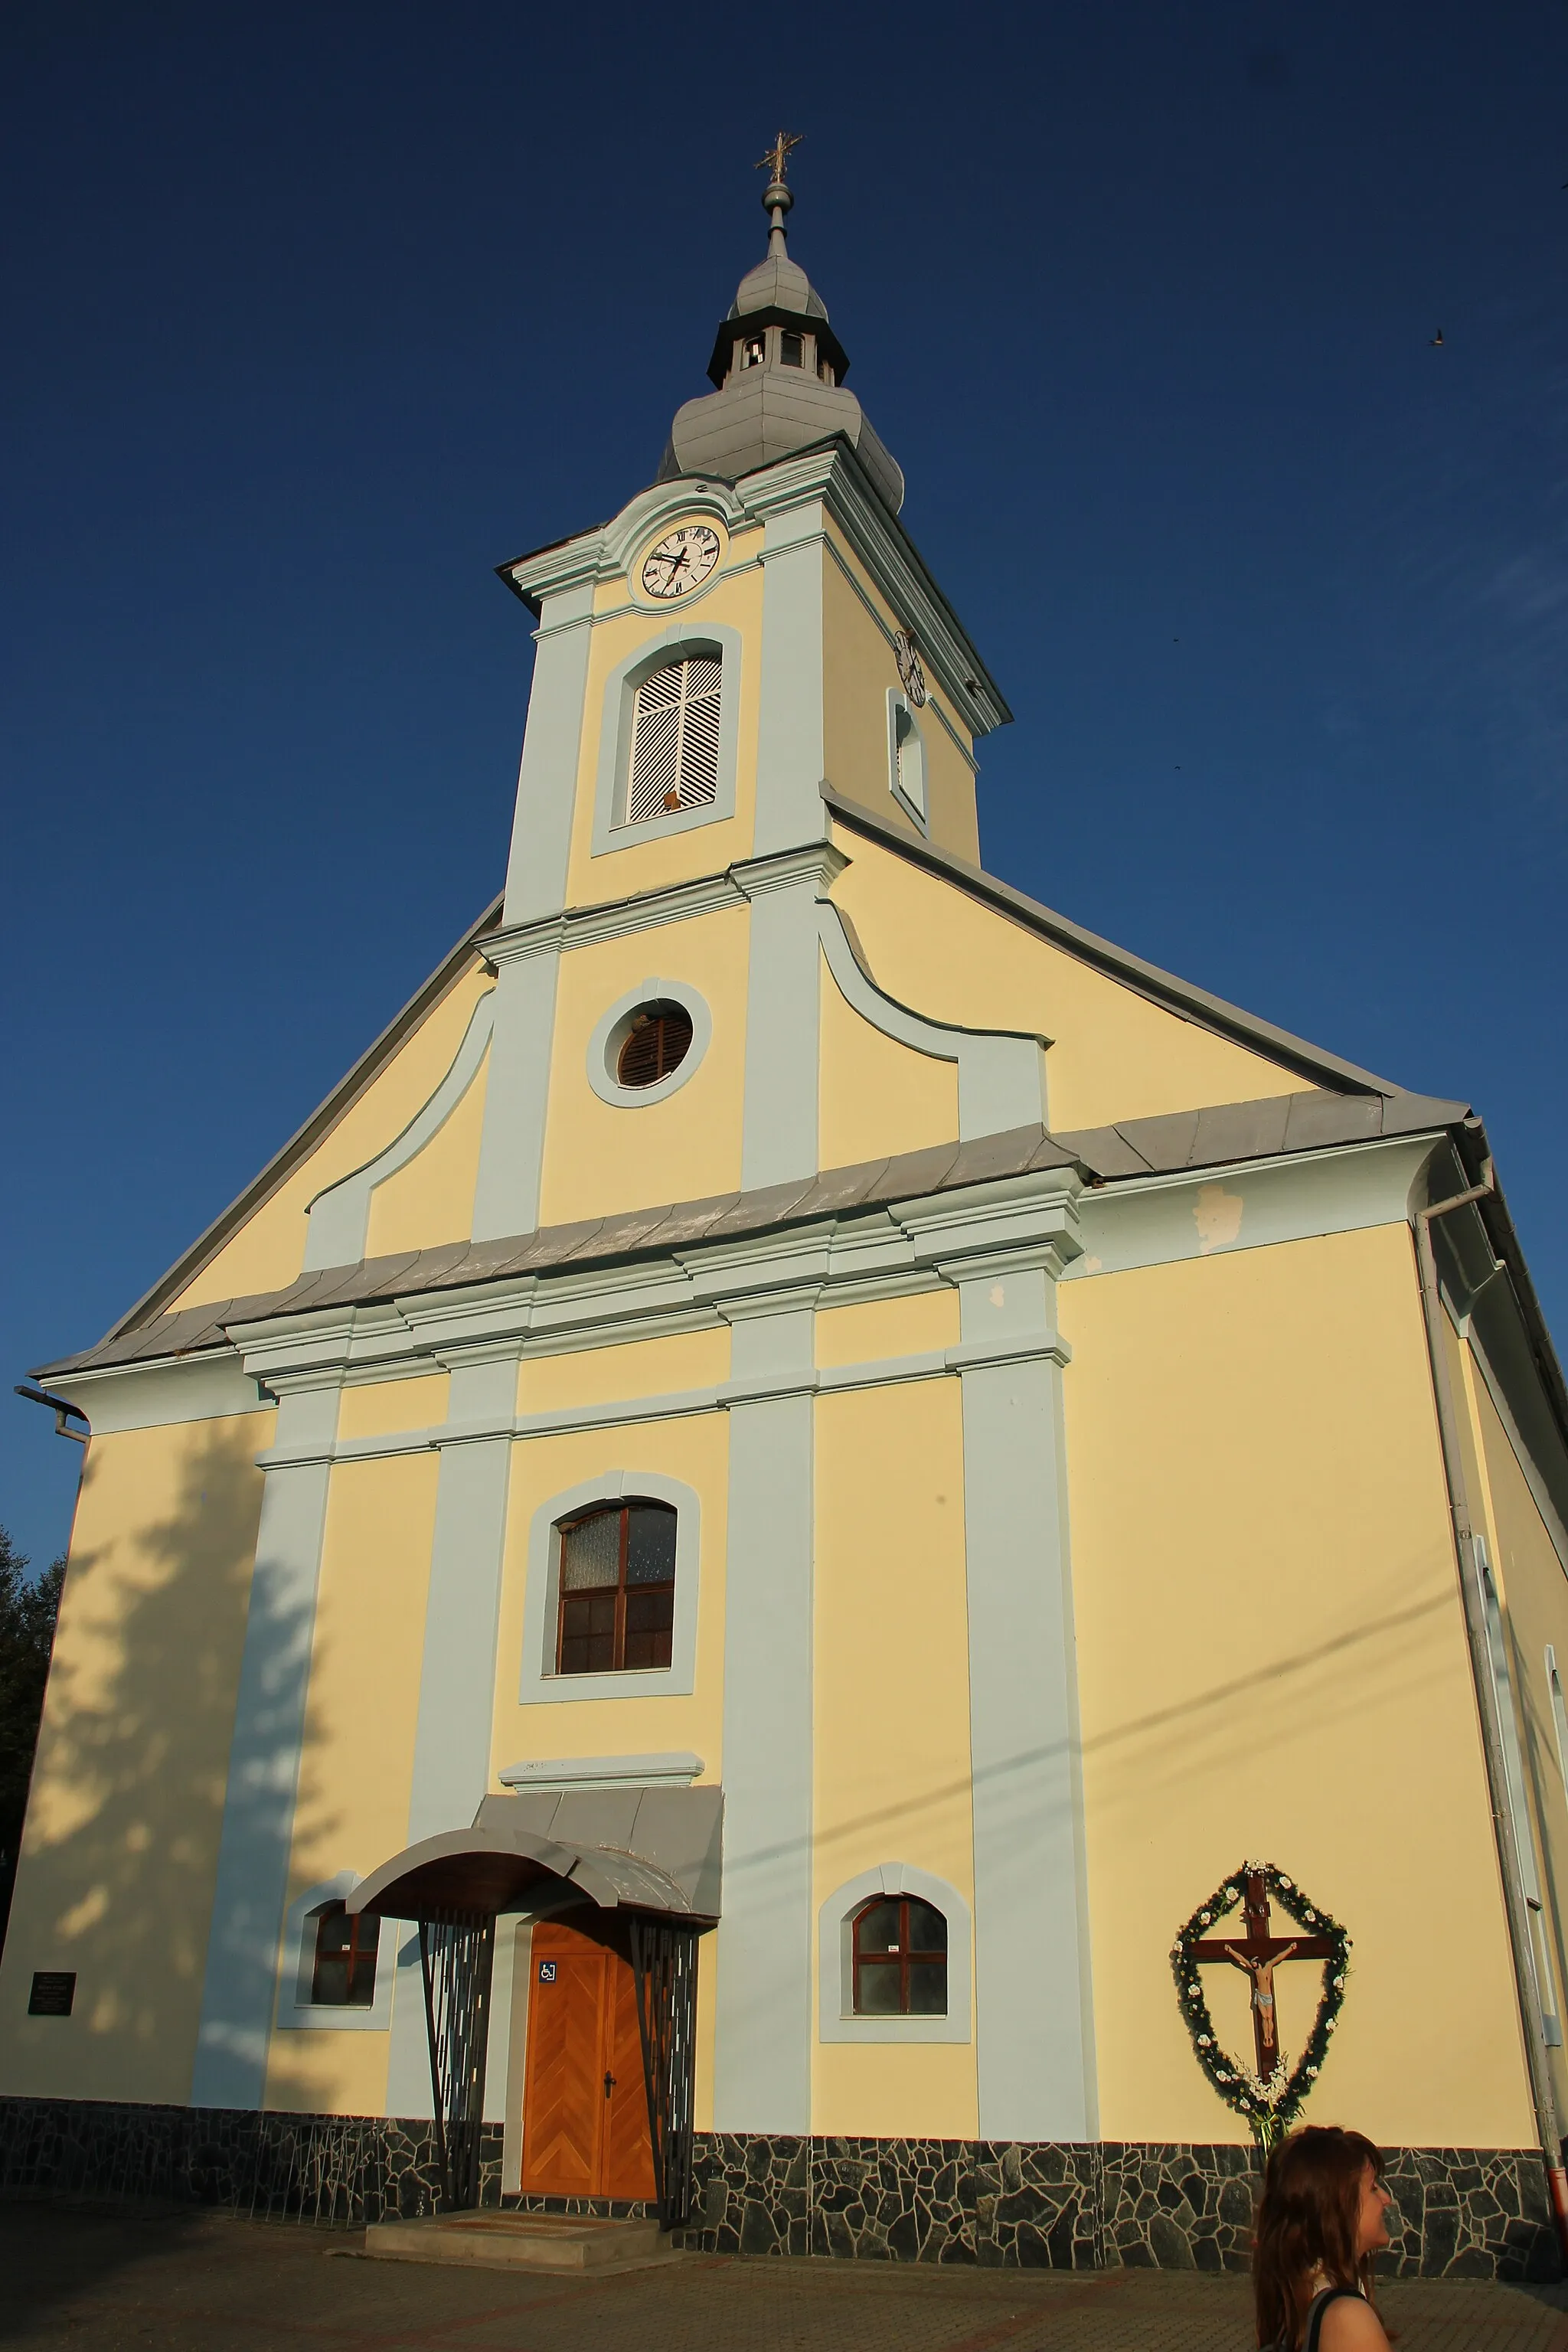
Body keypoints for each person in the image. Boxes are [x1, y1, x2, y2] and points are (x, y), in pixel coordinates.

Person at [1253, 2125, 1396, 2350]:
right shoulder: (1348, 2316)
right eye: (1373, 2188)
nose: (1387, 2199)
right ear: (1339, 2209)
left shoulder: (1300, 2291)